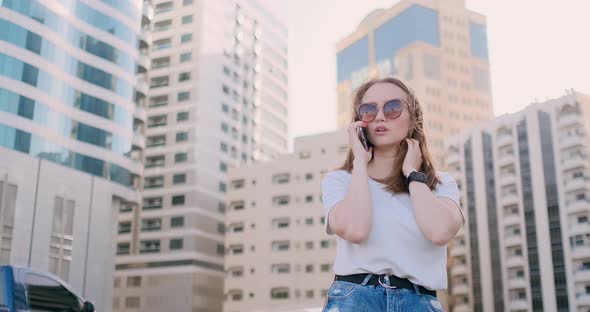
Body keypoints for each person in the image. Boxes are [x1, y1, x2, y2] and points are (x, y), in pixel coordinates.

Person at [321, 77, 465, 311]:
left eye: (393, 108)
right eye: (368, 110)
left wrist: (412, 174)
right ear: (359, 122)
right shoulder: (339, 181)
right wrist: (359, 162)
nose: (380, 116)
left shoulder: (439, 184)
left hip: (419, 302)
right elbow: (355, 230)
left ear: (413, 119)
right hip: (355, 299)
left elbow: (440, 232)